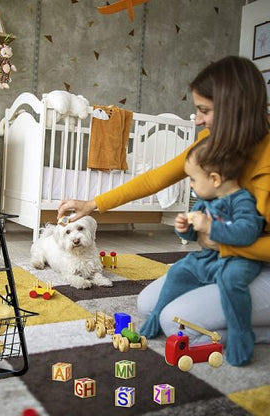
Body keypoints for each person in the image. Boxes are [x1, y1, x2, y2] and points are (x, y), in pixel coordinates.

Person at [57, 55, 270, 364]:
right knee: (148, 305)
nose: (197, 120)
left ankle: (251, 334)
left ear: (234, 109)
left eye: (204, 110)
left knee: (174, 322)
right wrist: (93, 204)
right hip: (225, 260)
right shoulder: (214, 142)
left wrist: (219, 238)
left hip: (258, 268)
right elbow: (156, 177)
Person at [139, 139, 264, 365]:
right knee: (180, 270)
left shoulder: (243, 199)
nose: (192, 185)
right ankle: (157, 314)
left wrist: (210, 226)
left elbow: (247, 232)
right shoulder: (205, 201)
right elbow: (196, 235)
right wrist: (186, 229)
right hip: (209, 257)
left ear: (215, 179)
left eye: (194, 179)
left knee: (231, 280)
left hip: (238, 259)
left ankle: (240, 332)